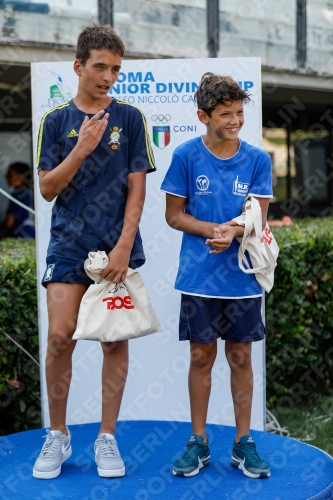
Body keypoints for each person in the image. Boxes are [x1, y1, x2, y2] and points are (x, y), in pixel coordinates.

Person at [33, 24, 155, 479]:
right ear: (78, 66)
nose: (108, 77)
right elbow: (46, 189)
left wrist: (124, 246)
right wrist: (81, 149)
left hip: (115, 248)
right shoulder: (56, 121)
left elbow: (137, 190)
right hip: (67, 245)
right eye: (100, 67)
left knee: (112, 340)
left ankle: (107, 437)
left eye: (116, 69)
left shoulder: (131, 118)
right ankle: (58, 435)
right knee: (60, 337)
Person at [161, 72, 272, 479]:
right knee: (200, 356)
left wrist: (235, 231)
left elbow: (259, 217)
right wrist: (214, 231)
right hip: (198, 278)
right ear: (203, 115)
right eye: (226, 113)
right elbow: (173, 216)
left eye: (240, 112)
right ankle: (199, 442)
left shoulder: (259, 159)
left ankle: (244, 443)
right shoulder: (187, 156)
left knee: (241, 357)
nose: (235, 121)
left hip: (243, 279)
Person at [0, 162, 35, 238]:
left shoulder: (19, 194)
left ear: (20, 176)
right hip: (30, 235)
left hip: (21, 237)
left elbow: (9, 223)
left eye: (9, 175)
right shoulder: (26, 192)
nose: (6, 178)